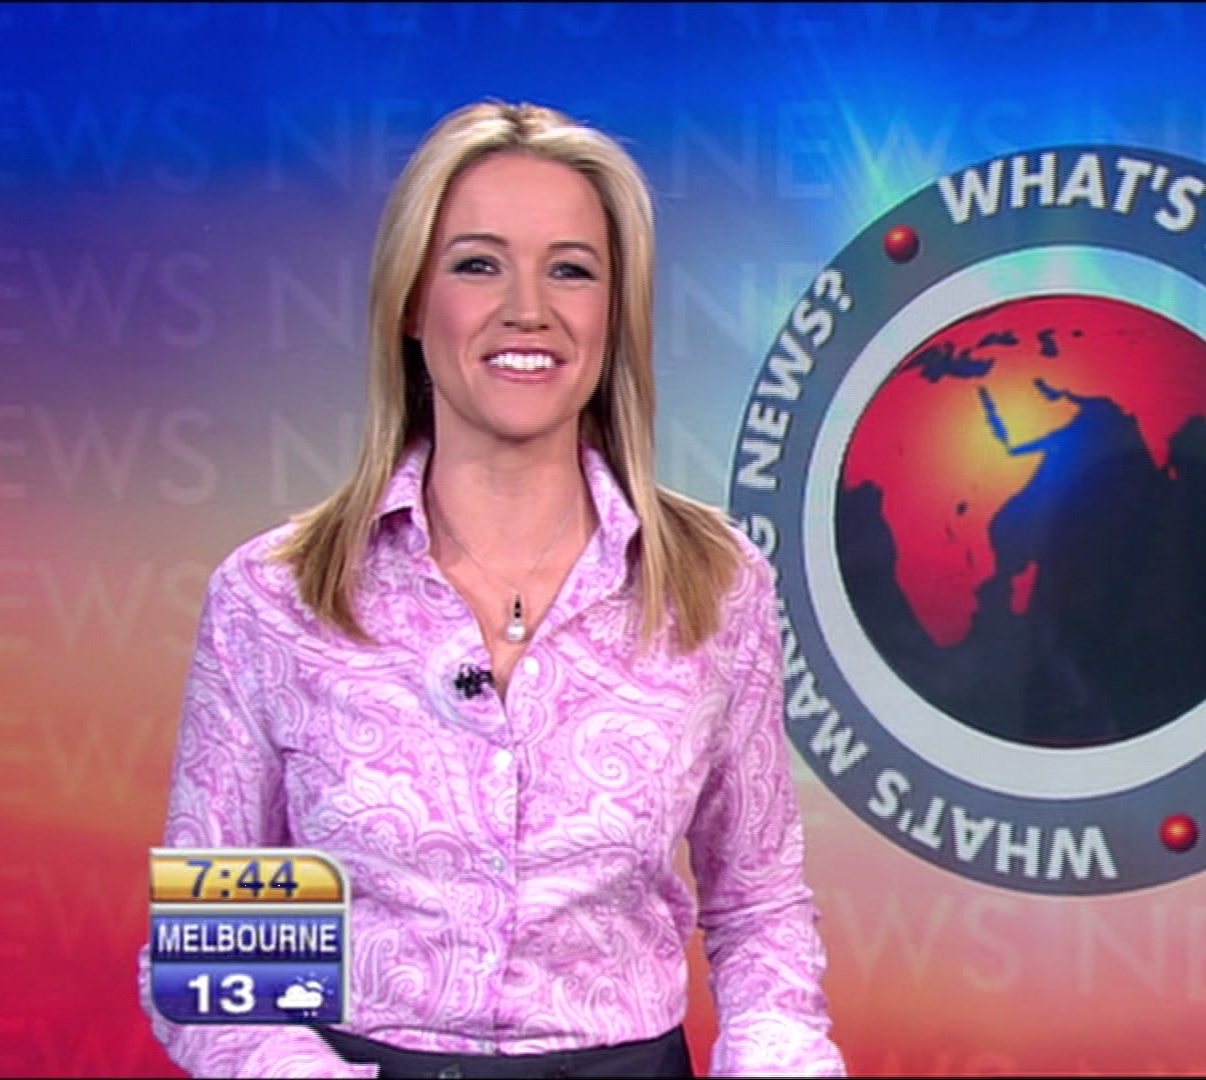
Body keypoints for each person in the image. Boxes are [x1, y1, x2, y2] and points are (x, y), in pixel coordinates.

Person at [137, 100, 847, 1079]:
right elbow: (222, 976)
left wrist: (778, 1061)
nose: (529, 309)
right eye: (478, 264)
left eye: (572, 270)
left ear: (615, 314)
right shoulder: (276, 599)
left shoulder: (714, 584)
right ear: (410, 302)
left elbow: (756, 910)